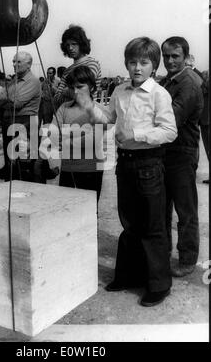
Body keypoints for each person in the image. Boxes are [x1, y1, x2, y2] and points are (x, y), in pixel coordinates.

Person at [78, 37, 177, 306]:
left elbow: (169, 131)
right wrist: (89, 107)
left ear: (154, 66)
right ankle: (128, 275)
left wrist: (138, 134)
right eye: (132, 62)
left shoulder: (159, 94)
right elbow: (109, 118)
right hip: (126, 163)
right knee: (129, 222)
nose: (137, 67)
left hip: (150, 164)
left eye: (144, 62)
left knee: (153, 225)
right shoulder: (119, 91)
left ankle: (159, 284)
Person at [160, 37, 204, 277]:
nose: (169, 60)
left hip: (182, 153)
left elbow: (171, 120)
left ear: (186, 57)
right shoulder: (168, 81)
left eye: (175, 56)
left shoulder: (187, 83)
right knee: (163, 207)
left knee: (185, 210)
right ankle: (163, 253)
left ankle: (187, 260)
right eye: (166, 56)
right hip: (166, 152)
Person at [41, 65, 106, 203]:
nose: (76, 91)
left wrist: (66, 140)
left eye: (80, 86)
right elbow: (52, 132)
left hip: (91, 170)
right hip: (68, 169)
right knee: (66, 212)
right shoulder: (64, 107)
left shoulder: (99, 110)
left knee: (89, 213)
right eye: (72, 87)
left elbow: (93, 139)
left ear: (92, 87)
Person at [0, 51, 41, 181]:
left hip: (25, 123)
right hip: (10, 122)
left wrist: (4, 100)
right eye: (14, 61)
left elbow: (17, 103)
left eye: (18, 62)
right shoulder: (14, 80)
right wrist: (6, 100)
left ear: (28, 64)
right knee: (11, 160)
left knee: (25, 161)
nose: (14, 64)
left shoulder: (33, 81)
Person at [53, 25, 101, 109]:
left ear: (82, 44)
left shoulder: (92, 64)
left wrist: (66, 91)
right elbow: (56, 99)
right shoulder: (67, 71)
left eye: (74, 44)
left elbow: (84, 93)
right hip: (69, 115)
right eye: (67, 45)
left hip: (88, 115)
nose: (70, 48)